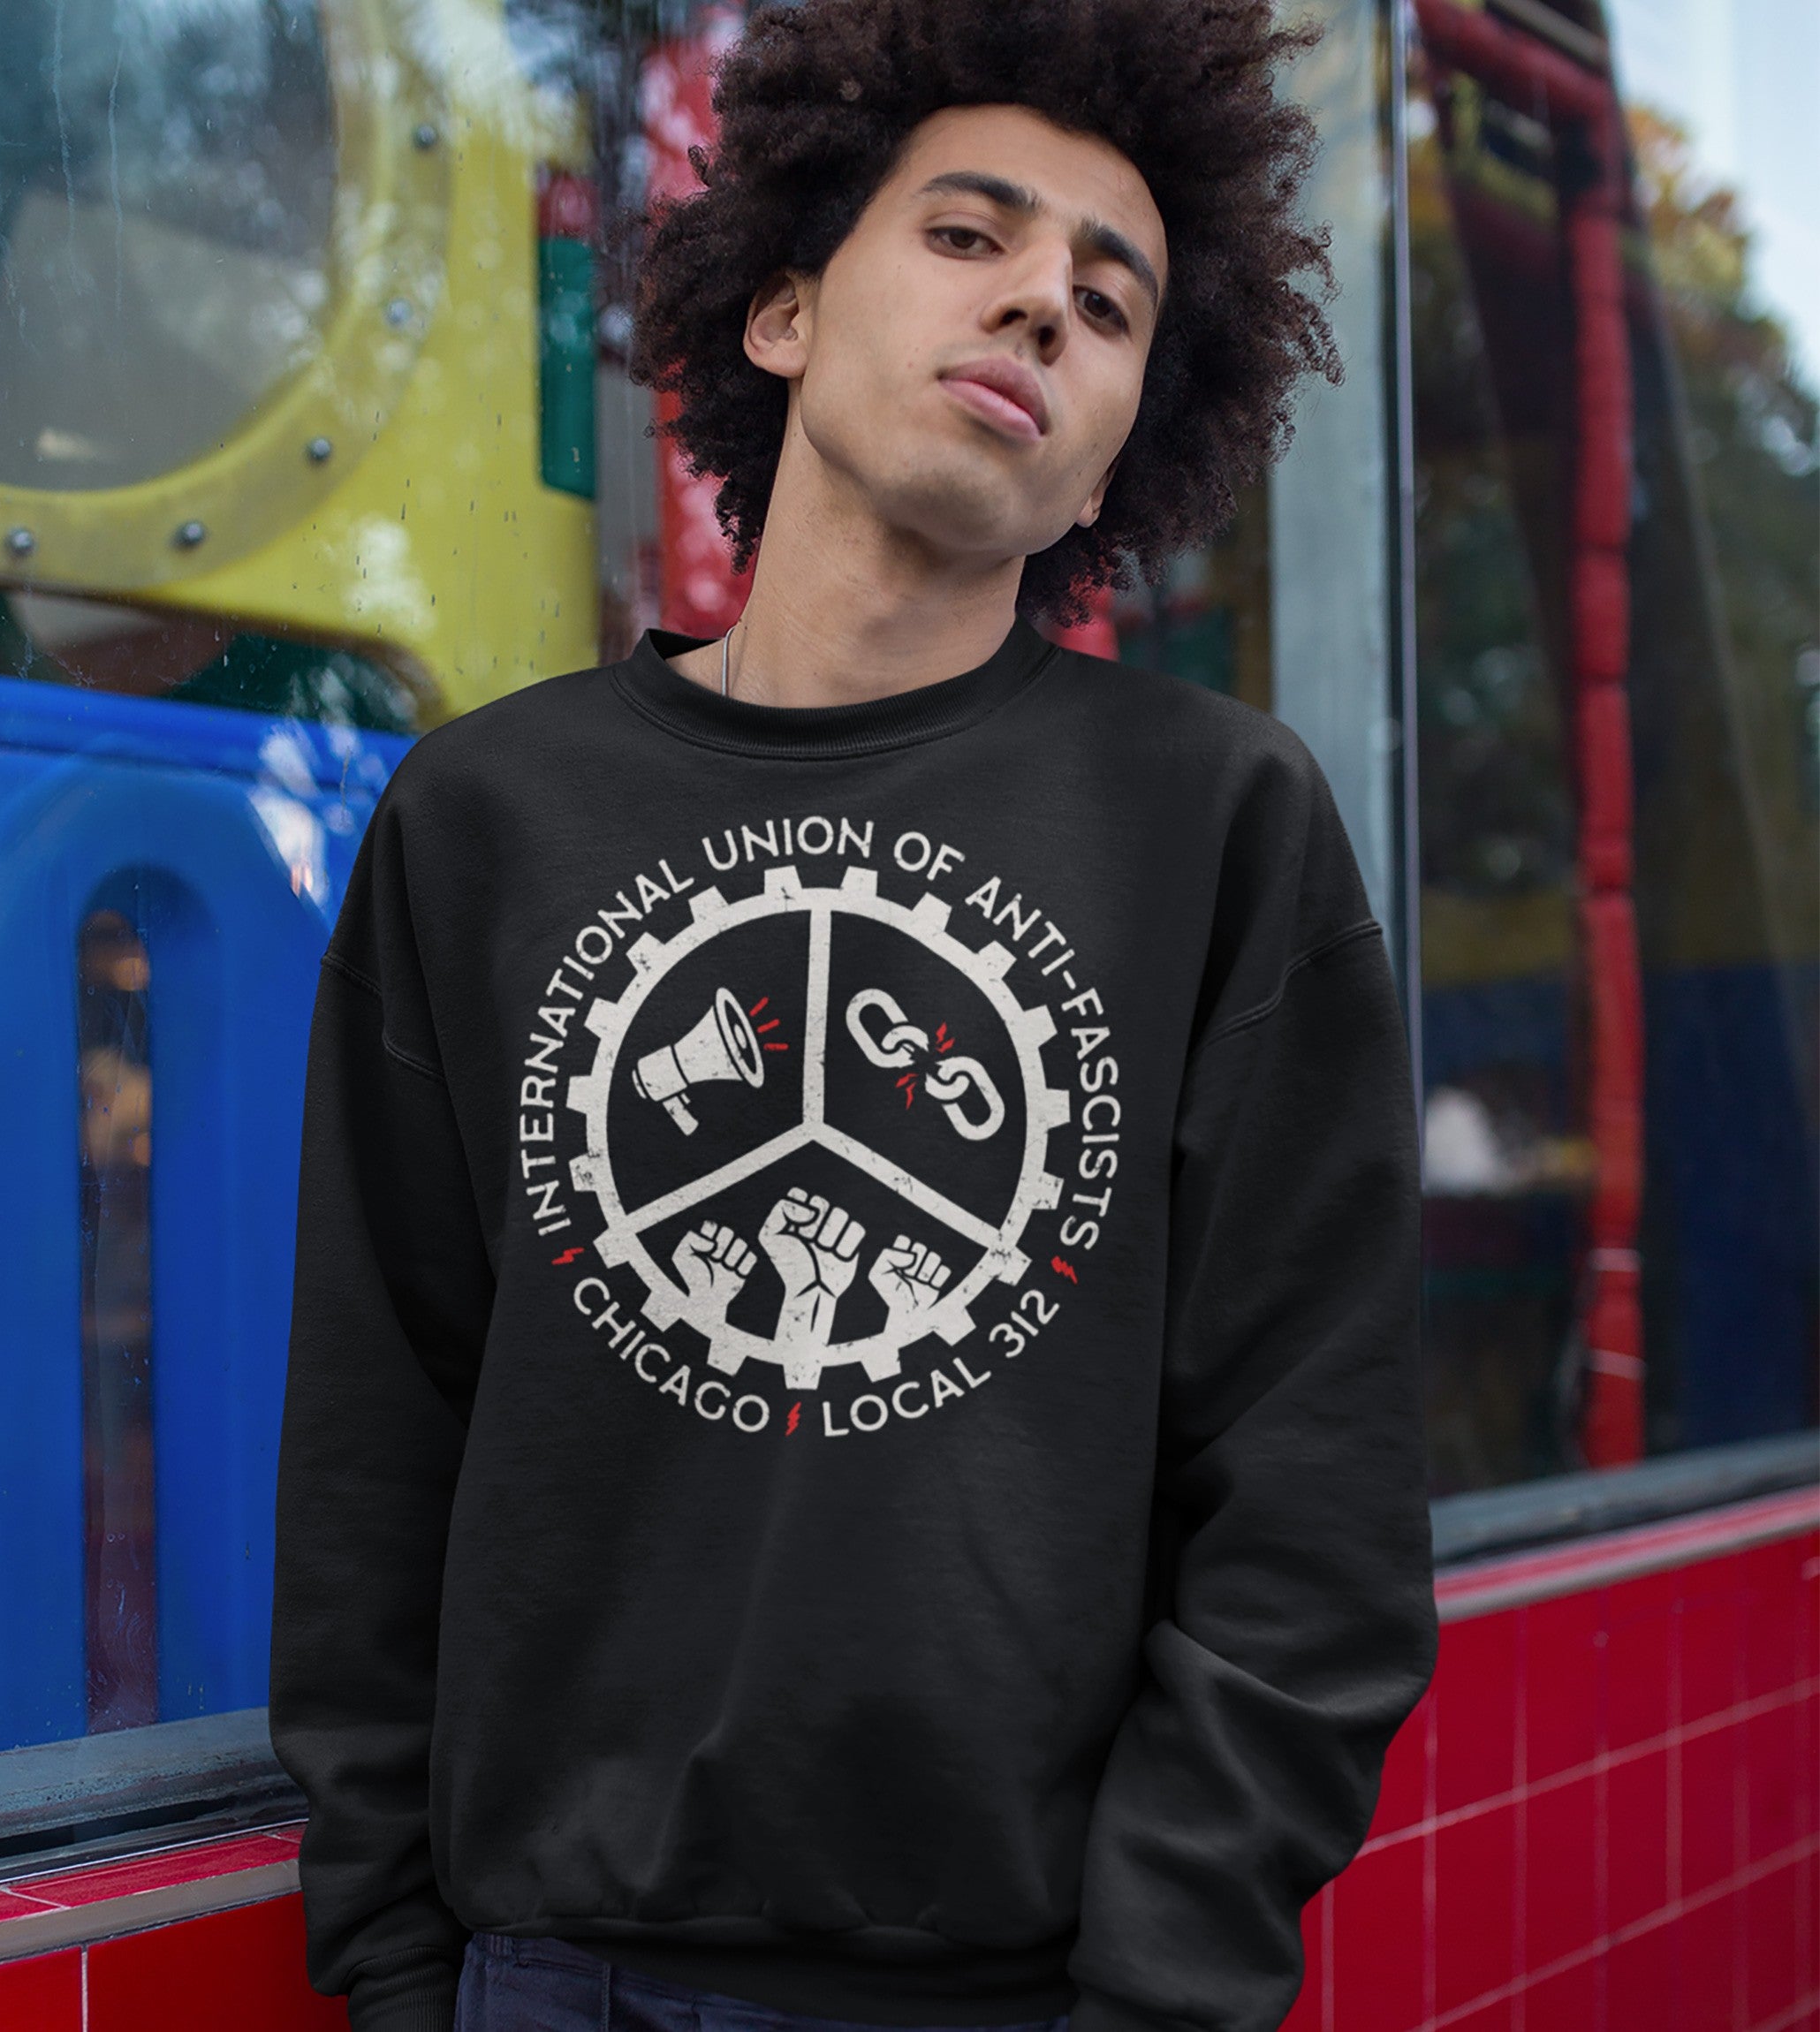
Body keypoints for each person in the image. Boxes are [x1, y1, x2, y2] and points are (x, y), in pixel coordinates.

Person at [269, 2, 1437, 2028]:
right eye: (968, 235)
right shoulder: (483, 818)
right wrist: (390, 1955)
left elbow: (1309, 1504)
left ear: (1116, 453)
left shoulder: (1215, 822)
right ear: (783, 312)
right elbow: (379, 1434)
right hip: (546, 1978)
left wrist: (1158, 1987)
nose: (1043, 304)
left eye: (1109, 301)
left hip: (1018, 1994)